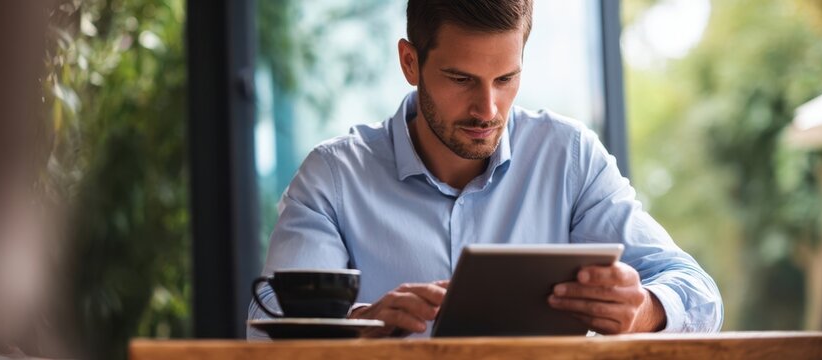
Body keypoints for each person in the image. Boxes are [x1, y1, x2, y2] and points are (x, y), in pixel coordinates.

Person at [248, 0, 722, 339]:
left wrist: (642, 310)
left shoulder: (569, 157)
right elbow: (269, 334)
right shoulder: (333, 178)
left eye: (506, 78)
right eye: (461, 79)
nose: (487, 108)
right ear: (410, 62)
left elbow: (698, 291)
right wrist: (362, 329)